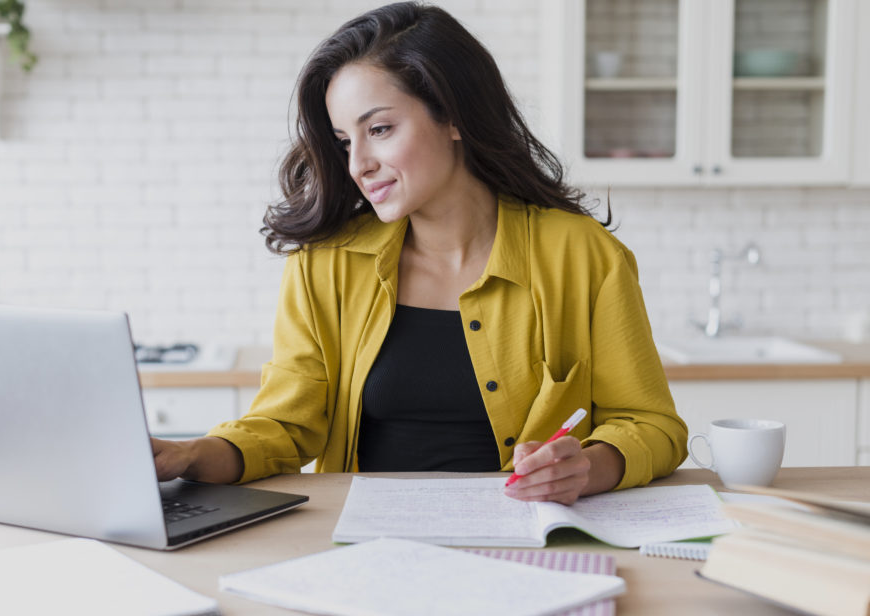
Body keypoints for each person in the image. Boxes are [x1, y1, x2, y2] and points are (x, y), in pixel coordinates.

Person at [152, 2, 687, 504]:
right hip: (365, 538)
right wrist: (191, 453)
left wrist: (589, 467)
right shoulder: (326, 263)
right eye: (344, 142)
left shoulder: (582, 255)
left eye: (379, 129)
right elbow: (284, 427)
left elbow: (651, 425)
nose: (358, 164)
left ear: (454, 117)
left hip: (522, 535)